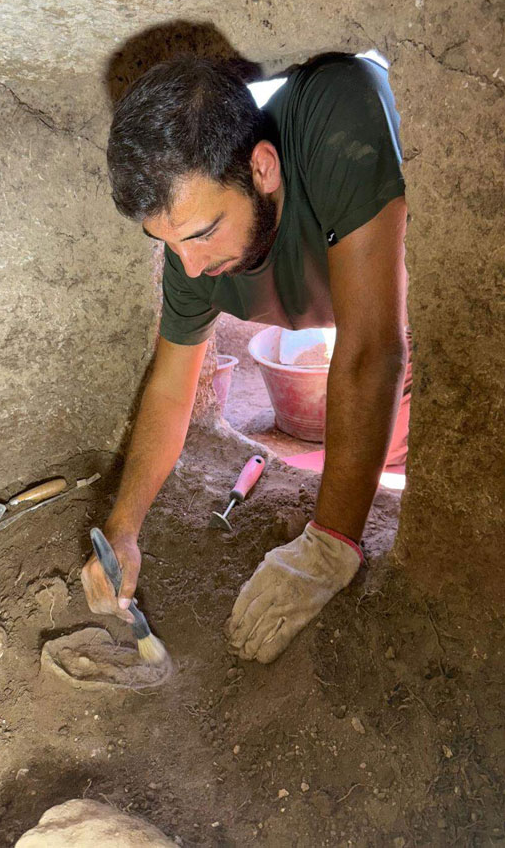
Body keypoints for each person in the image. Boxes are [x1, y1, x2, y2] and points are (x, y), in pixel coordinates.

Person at [81, 52, 410, 663]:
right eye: (167, 245)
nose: (191, 268)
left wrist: (329, 544)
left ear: (262, 168)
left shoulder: (333, 108)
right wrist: (124, 528)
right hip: (349, 321)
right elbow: (173, 389)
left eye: (203, 233)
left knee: (397, 447)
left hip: (392, 305)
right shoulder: (192, 256)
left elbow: (372, 350)